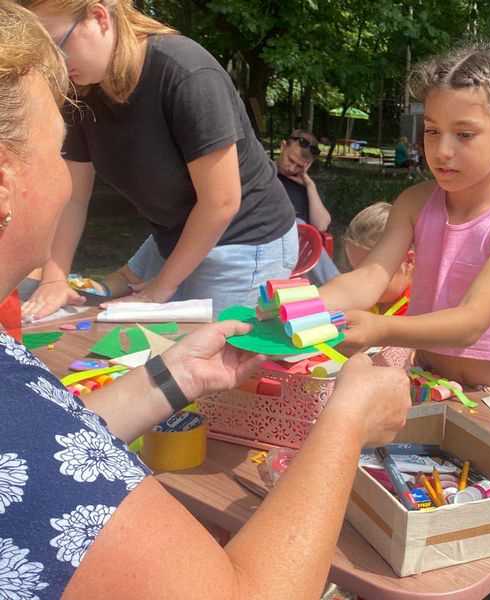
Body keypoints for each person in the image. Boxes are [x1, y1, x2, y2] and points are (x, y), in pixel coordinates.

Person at [0, 5, 410, 598]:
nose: (67, 179)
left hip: (227, 247)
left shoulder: (183, 72)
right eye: (57, 146)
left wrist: (173, 376)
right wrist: (344, 425)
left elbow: (54, 449)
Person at [20, 0, 299, 320]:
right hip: (176, 234)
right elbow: (73, 197)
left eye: (57, 45)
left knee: (208, 354)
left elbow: (221, 202)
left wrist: (160, 290)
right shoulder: (81, 89)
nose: (54, 64)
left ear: (99, 18)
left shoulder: (186, 72)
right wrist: (54, 277)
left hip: (245, 241)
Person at [322, 42, 490, 409]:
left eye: (464, 134)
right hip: (428, 383)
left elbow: (471, 323)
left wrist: (381, 329)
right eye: (432, 131)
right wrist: (302, 307)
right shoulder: (414, 202)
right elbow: (369, 278)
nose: (442, 150)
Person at [275, 129, 340, 285]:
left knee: (300, 226)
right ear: (283, 146)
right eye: (290, 160)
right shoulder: (264, 174)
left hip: (302, 252)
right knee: (297, 223)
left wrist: (309, 185)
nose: (292, 169)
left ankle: (334, 287)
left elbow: (322, 225)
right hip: (272, 242)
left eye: (299, 166)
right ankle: (336, 285)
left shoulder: (305, 186)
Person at [343, 202, 413, 315]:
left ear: (409, 261)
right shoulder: (363, 300)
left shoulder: (423, 309)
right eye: (354, 271)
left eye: (370, 273)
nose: (359, 283)